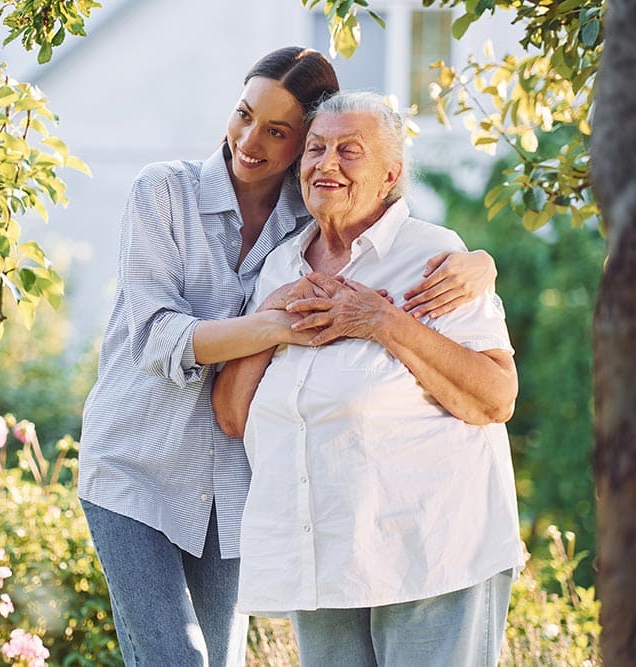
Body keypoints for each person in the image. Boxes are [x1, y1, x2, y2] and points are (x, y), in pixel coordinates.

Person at [79, 48, 499, 667]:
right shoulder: (164, 193)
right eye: (244, 114)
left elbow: (390, 226)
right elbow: (153, 335)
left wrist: (482, 265)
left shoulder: (306, 221)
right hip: (137, 464)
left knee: (217, 662)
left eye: (278, 132)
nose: (250, 141)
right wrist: (272, 322)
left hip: (232, 480)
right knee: (175, 657)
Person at [213, 91, 523, 667]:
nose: (326, 164)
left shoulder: (434, 257)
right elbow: (233, 416)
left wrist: (384, 322)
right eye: (315, 148)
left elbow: (495, 396)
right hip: (323, 561)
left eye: (348, 151)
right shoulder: (281, 265)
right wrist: (273, 319)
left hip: (430, 554)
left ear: (390, 175)